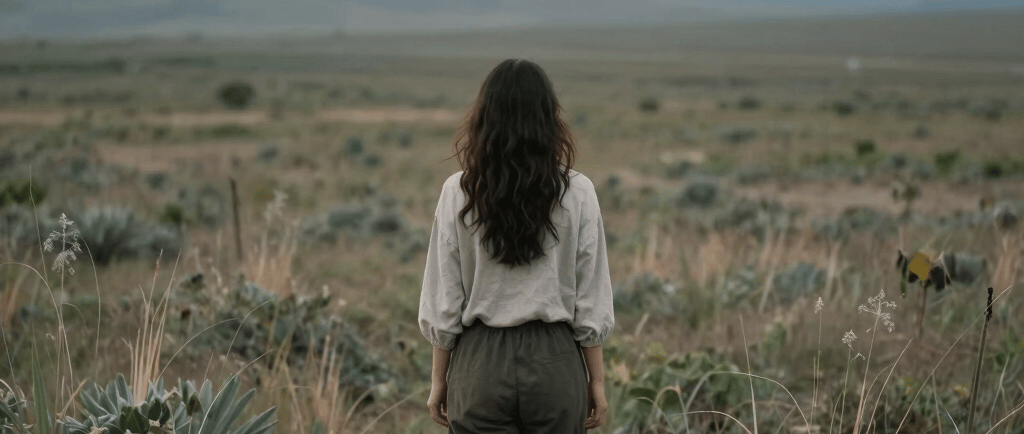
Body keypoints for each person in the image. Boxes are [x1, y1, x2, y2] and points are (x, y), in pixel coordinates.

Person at [418, 58, 615, 433]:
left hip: (479, 364)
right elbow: (591, 297)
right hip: (556, 362)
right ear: (548, 118)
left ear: (484, 118)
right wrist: (597, 381)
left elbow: (444, 297)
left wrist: (439, 380)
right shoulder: (578, 191)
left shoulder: (458, 191)